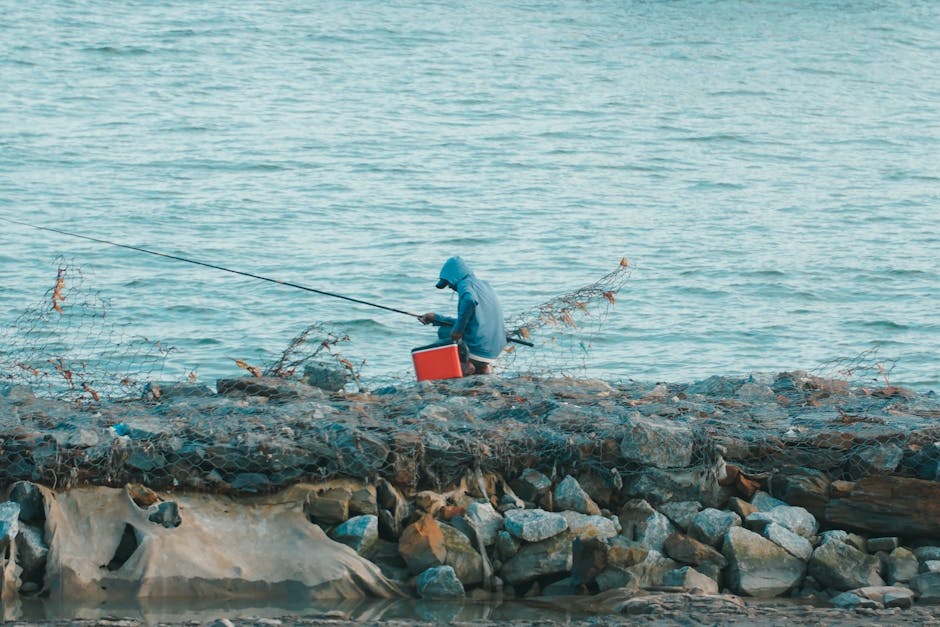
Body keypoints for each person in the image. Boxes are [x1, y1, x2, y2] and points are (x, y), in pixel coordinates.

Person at [420, 256, 506, 375]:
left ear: (456, 277)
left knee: (444, 331)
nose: (450, 287)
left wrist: (458, 330)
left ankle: (464, 364)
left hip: (478, 349)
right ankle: (481, 369)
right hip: (494, 349)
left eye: (448, 282)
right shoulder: (485, 285)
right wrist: (436, 318)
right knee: (452, 328)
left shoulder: (464, 284)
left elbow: (469, 301)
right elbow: (471, 321)